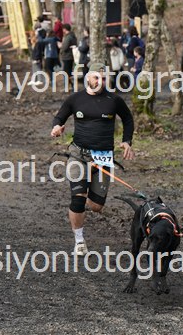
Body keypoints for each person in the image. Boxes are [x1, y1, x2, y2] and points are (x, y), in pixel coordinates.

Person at [51, 69, 135, 255]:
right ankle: (79, 241)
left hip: (103, 158)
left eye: (104, 78)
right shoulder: (75, 99)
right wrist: (56, 127)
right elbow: (59, 117)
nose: (100, 81)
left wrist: (127, 141)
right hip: (78, 156)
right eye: (97, 77)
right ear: (88, 77)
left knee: (96, 207)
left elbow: (128, 119)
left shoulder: (114, 100)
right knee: (78, 199)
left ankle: (88, 191)